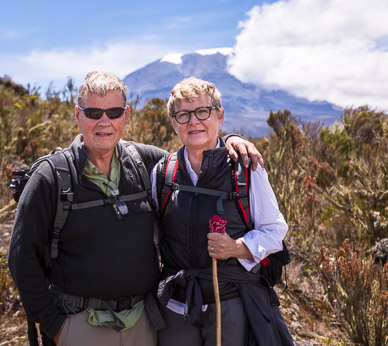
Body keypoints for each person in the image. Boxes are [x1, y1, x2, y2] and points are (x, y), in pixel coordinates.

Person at [8, 71, 263, 346]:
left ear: (126, 116)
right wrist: (55, 326)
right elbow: (22, 257)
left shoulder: (146, 162)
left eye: (114, 112)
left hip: (143, 324)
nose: (104, 122)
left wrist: (230, 142)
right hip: (78, 325)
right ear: (77, 115)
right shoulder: (52, 177)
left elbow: (196, 155)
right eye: (93, 112)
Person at [153, 77, 294, 345]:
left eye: (203, 112)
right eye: (183, 115)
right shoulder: (163, 172)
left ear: (220, 116)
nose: (193, 121)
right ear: (173, 123)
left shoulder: (246, 168)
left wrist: (236, 247)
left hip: (230, 300)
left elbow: (275, 231)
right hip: (176, 304)